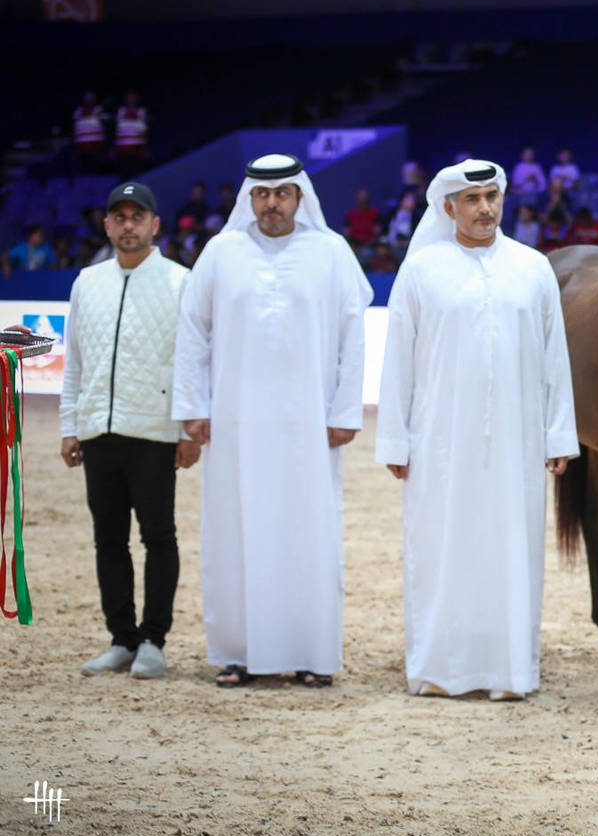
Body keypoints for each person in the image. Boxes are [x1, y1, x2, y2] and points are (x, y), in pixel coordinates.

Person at [376, 160, 578, 700]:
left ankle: (510, 671)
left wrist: (559, 434)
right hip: (440, 442)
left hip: (518, 442)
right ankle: (441, 668)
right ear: (448, 208)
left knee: (512, 549)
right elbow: (397, 362)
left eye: (492, 196)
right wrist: (396, 439)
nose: (485, 207)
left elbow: (553, 359)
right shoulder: (421, 271)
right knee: (443, 547)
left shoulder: (532, 268)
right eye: (472, 200)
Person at [173, 154, 372, 688]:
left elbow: (354, 338)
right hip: (235, 426)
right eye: (262, 194)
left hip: (309, 425)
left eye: (283, 193)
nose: (272, 204)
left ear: (300, 197)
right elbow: (193, 331)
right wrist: (192, 407)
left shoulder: (330, 252)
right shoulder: (221, 252)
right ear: (249, 199)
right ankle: (238, 652)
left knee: (308, 532)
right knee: (234, 532)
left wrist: (345, 411)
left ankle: (311, 654)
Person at [61, 182, 198, 681]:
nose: (128, 225)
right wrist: (70, 424)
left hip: (155, 431)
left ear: (155, 225)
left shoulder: (182, 283)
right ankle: (121, 638)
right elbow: (74, 362)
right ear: (107, 225)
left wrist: (188, 430)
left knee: (159, 537)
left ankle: (153, 641)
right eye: (119, 217)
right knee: (108, 540)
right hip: (99, 431)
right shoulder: (86, 282)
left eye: (137, 216)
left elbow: (192, 364)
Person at [114, 90, 150, 161]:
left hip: (137, 149)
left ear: (137, 99)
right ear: (125, 99)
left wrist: (145, 148)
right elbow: (117, 131)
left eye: (133, 98)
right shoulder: (121, 111)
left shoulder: (141, 111)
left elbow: (144, 132)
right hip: (122, 149)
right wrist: (114, 148)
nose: (131, 100)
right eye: (129, 98)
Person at [73, 91, 107, 162]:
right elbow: (75, 131)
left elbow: (106, 129)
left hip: (97, 148)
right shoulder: (78, 112)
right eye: (87, 97)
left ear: (94, 98)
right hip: (82, 149)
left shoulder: (99, 110)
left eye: (91, 97)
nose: (89, 99)